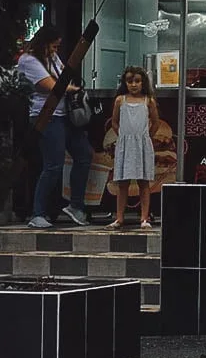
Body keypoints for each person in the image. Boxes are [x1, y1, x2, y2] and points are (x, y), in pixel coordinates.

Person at [17, 25, 93, 229]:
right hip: (46, 115)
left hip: (64, 114)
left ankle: (76, 205)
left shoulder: (52, 58)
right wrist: (74, 89)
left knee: (84, 154)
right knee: (53, 165)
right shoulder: (29, 61)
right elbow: (51, 85)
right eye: (53, 46)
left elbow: (62, 76)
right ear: (43, 43)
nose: (55, 51)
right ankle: (37, 212)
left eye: (58, 47)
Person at [107, 66, 159, 230]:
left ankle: (144, 218)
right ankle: (119, 218)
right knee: (123, 183)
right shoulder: (120, 100)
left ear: (143, 83)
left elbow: (156, 122)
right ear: (125, 83)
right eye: (130, 81)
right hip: (125, 144)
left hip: (142, 143)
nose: (134, 85)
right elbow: (114, 121)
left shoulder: (148, 101)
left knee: (144, 182)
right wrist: (122, 135)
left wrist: (146, 137)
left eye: (137, 81)